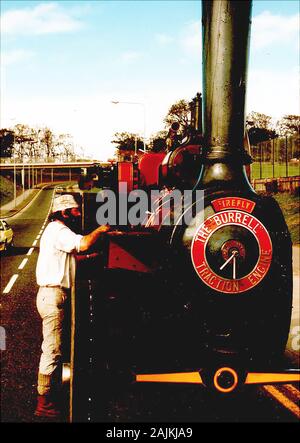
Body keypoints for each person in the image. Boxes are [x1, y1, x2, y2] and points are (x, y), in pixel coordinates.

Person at [34, 193, 110, 418]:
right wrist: (101, 230)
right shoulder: (60, 231)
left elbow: (72, 257)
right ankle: (43, 401)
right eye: (75, 211)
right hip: (53, 296)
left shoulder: (53, 232)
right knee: (52, 349)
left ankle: (49, 394)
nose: (78, 214)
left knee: (55, 346)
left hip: (51, 296)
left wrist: (96, 256)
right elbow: (83, 243)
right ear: (64, 213)